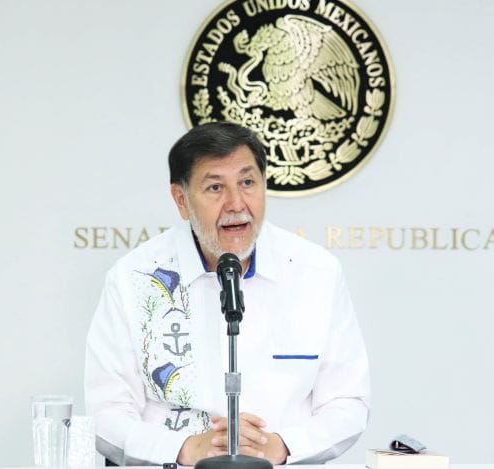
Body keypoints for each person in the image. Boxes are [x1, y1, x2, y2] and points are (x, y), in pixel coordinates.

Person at [84, 121, 370, 466]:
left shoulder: (316, 272)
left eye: (247, 183)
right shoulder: (135, 278)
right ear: (181, 199)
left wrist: (281, 446)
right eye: (215, 187)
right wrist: (184, 449)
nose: (236, 204)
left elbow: (347, 403)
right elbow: (106, 413)